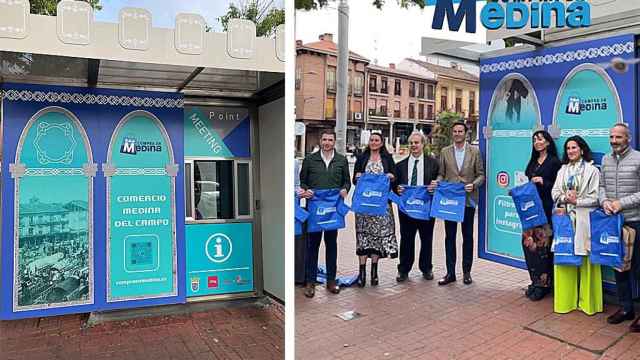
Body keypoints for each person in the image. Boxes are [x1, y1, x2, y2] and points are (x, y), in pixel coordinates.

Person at [551, 135, 602, 315]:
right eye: (568, 148)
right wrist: (565, 198)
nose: (571, 151)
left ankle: (588, 304)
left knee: (587, 260)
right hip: (565, 220)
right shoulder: (562, 170)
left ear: (581, 149)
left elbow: (597, 197)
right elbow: (555, 192)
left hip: (584, 220)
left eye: (574, 147)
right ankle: (565, 302)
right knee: (564, 257)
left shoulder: (592, 170)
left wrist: (578, 201)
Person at [299, 130, 351, 298]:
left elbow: (347, 182)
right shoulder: (309, 160)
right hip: (314, 210)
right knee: (312, 246)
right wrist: (305, 190)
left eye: (330, 140)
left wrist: (345, 189)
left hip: (332, 212)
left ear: (334, 142)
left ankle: (331, 280)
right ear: (320, 141)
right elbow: (303, 181)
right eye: (324, 139)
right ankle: (310, 282)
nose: (327, 142)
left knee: (331, 245)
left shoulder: (341, 160)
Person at [598, 124, 640, 331]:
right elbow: (601, 186)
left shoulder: (638, 159)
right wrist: (604, 201)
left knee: (638, 269)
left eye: (619, 137)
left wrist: (621, 203)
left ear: (628, 138)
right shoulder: (606, 159)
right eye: (612, 136)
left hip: (635, 221)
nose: (614, 140)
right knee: (619, 268)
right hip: (613, 223)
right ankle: (626, 309)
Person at [433, 122, 485, 285]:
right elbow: (441, 173)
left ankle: (467, 272)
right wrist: (437, 182)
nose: (457, 133)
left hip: (468, 199)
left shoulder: (474, 151)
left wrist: (474, 184)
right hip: (450, 200)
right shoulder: (445, 152)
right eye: (454, 131)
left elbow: (481, 175)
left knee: (467, 236)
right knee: (450, 237)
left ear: (466, 133)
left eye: (460, 131)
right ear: (452, 133)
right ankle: (450, 273)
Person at [352, 132, 398, 287]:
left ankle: (374, 272)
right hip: (364, 206)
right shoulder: (362, 158)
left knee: (377, 239)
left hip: (381, 206)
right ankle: (362, 273)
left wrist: (391, 177)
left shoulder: (387, 159)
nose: (373, 142)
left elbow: (394, 179)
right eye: (371, 140)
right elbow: (354, 180)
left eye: (376, 140)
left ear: (381, 142)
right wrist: (357, 177)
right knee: (363, 237)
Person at [522, 130, 562, 301]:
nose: (537, 142)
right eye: (534, 140)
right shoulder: (533, 161)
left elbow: (558, 186)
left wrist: (543, 182)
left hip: (546, 210)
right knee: (528, 245)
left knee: (543, 248)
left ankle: (544, 284)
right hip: (531, 211)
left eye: (540, 139)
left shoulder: (554, 162)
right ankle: (535, 281)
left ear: (547, 142)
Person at [395, 132, 439, 283]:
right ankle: (403, 270)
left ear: (423, 145)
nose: (414, 146)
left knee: (426, 239)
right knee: (406, 239)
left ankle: (426, 268)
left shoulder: (433, 164)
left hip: (426, 208)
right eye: (411, 143)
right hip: (407, 210)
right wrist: (397, 189)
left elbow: (439, 181)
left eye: (417, 143)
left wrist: (435, 186)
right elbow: (393, 186)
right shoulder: (399, 166)